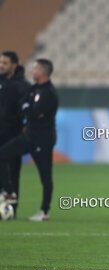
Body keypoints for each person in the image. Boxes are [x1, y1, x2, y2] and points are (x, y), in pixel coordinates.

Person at [0, 59, 58, 221]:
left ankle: (44, 211)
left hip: (42, 139)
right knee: (2, 155)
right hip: (28, 136)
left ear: (43, 71)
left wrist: (28, 110)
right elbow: (23, 107)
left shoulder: (49, 93)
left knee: (45, 175)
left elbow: (35, 112)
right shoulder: (34, 89)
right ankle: (10, 192)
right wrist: (27, 109)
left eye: (35, 68)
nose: (32, 71)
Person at [0, 51, 30, 216]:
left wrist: (25, 124)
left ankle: (12, 208)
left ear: (14, 65)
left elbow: (26, 108)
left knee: (13, 171)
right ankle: (2, 206)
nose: (1, 65)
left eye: (4, 63)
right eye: (0, 62)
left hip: (12, 134)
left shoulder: (22, 85)